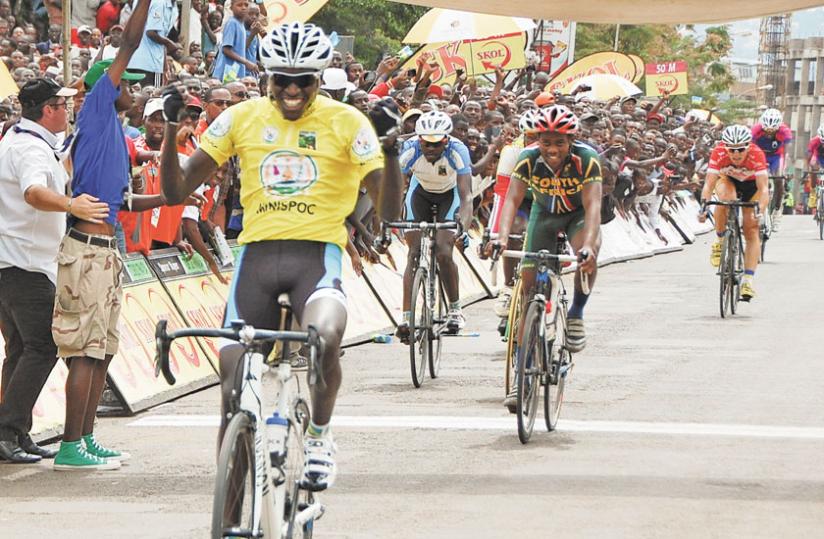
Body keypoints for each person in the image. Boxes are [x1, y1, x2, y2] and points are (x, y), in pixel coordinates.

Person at [158, 22, 403, 493]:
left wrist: (390, 152)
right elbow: (174, 190)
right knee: (231, 390)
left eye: (303, 80)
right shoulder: (241, 117)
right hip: (256, 259)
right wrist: (171, 130)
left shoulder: (347, 121)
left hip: (317, 257)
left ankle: (318, 436)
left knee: (325, 336)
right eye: (282, 80)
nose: (292, 90)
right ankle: (231, 515)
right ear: (267, 78)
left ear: (319, 79)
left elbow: (388, 211)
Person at [51, 0, 170, 471]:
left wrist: (165, 197)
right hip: (86, 250)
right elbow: (131, 43)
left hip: (105, 250)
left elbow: (121, 203)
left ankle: (87, 437)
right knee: (85, 350)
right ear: (110, 85)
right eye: (131, 86)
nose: (137, 94)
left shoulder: (117, 134)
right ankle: (68, 445)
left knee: (101, 350)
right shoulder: (100, 106)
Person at [0, 78, 100, 464]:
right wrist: (72, 205)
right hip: (24, 263)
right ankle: (8, 430)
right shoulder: (29, 148)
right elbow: (33, 193)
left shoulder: (24, 141)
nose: (68, 109)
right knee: (43, 346)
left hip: (17, 260)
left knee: (23, 348)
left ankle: (14, 430)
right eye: (62, 103)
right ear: (48, 109)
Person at [488, 105, 602, 408]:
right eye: (546, 142)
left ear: (571, 141)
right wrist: (500, 238)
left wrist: (588, 247)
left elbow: (593, 209)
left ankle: (576, 313)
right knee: (528, 293)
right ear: (538, 139)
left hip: (577, 216)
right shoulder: (528, 159)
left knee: (588, 255)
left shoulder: (587, 159)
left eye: (559, 142)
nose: (552, 149)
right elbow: (511, 201)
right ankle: (522, 376)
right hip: (544, 215)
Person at [396, 111, 473, 340]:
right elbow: (395, 189)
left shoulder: (458, 151)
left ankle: (455, 310)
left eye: (436, 144)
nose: (430, 149)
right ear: (419, 140)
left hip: (449, 196)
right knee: (414, 252)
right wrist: (387, 222)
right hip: (419, 194)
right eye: (425, 143)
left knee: (443, 251)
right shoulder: (409, 149)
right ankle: (407, 318)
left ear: (446, 140)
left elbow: (467, 195)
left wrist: (463, 227)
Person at [699, 125, 769, 301]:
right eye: (731, 150)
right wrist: (703, 206)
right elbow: (708, 184)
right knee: (726, 199)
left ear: (748, 146)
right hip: (729, 181)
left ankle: (748, 281)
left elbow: (764, 189)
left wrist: (760, 210)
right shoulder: (718, 152)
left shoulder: (757, 154)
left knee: (751, 228)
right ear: (725, 147)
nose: (736, 154)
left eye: (740, 149)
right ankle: (721, 239)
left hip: (752, 187)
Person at [488, 109, 538, 317]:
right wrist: (497, 232)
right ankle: (508, 288)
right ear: (523, 135)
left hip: (547, 197)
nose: (536, 142)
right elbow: (501, 195)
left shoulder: (557, 150)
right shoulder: (512, 151)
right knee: (514, 232)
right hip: (519, 197)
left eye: (540, 137)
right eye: (531, 137)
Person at [751, 108, 792, 230]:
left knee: (779, 180)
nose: (769, 133)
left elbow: (787, 151)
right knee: (757, 180)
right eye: (766, 130)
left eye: (772, 131)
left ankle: (777, 210)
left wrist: (785, 169)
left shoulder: (785, 131)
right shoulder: (756, 129)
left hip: (776, 156)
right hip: (760, 155)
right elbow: (750, 147)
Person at [128, 0, 180, 87]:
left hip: (134, 61)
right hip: (149, 63)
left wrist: (164, 65)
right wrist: (169, 43)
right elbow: (151, 32)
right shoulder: (159, 3)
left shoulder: (173, 8)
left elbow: (161, 34)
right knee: (151, 96)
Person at [211, 0, 255, 82]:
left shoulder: (240, 24)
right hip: (227, 72)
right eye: (239, 5)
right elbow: (226, 50)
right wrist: (246, 62)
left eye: (246, 5)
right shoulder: (232, 23)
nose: (243, 8)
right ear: (231, 7)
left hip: (235, 72)